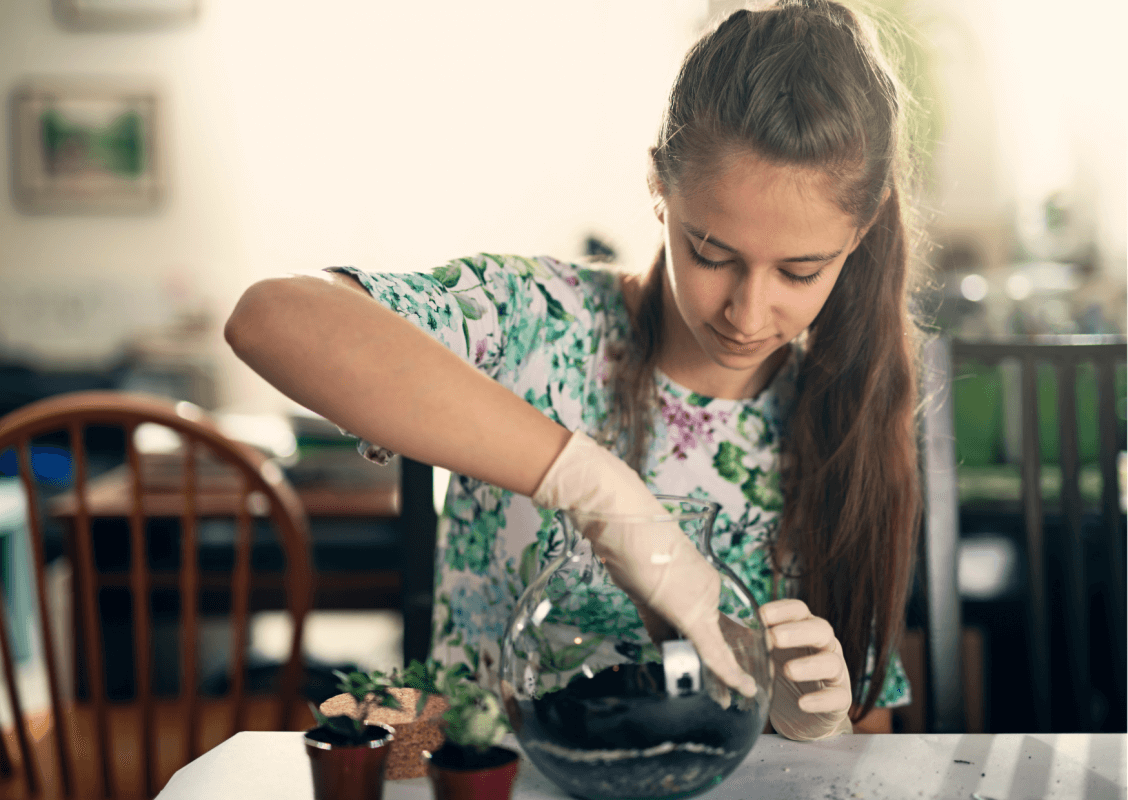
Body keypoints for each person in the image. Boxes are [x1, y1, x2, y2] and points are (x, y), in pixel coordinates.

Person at [226, 0, 925, 740]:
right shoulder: (533, 320)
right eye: (712, 254)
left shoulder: (849, 417)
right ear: (659, 190)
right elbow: (269, 318)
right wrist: (593, 483)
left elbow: (870, 747)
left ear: (864, 226)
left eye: (799, 271)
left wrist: (820, 727)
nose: (748, 314)